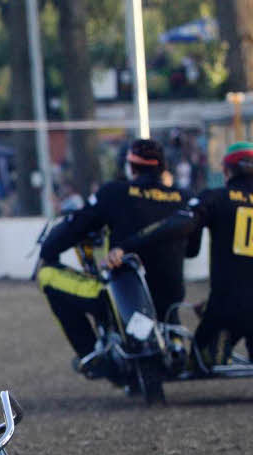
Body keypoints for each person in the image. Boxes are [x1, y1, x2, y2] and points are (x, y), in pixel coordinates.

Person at [37, 138, 194, 374]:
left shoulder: (116, 192)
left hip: (121, 298)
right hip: (170, 297)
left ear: (130, 166)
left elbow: (75, 228)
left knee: (48, 275)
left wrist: (48, 250)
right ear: (162, 167)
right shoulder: (182, 197)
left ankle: (90, 354)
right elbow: (193, 251)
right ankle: (175, 342)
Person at [107, 141, 253, 371]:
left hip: (228, 308)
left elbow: (177, 225)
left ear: (226, 171)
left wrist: (127, 246)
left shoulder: (217, 197)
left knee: (200, 363)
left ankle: (210, 350)